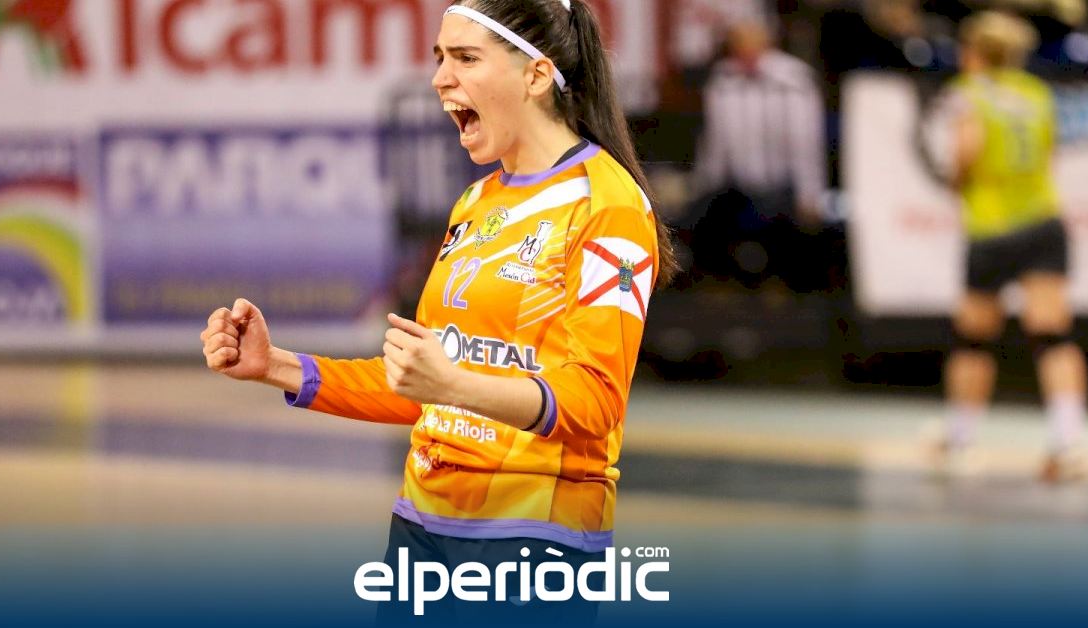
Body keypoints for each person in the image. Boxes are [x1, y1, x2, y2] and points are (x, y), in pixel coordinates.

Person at [199, 0, 677, 622]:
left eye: (465, 58)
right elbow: (423, 385)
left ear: (536, 74)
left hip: (534, 540)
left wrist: (454, 386)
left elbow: (595, 402)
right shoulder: (476, 202)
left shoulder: (606, 206)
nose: (439, 79)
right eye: (438, 58)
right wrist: (277, 367)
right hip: (421, 529)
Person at [937, 11, 1088, 483]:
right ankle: (1067, 443)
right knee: (1053, 335)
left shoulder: (970, 93)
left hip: (992, 227)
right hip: (1042, 221)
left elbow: (966, 151)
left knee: (974, 339)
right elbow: (1049, 152)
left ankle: (960, 440)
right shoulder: (1036, 93)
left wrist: (957, 181)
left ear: (975, 51)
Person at [685, 18, 830, 293]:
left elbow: (806, 142)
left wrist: (810, 194)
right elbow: (716, 141)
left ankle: (785, 291)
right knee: (705, 221)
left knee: (798, 238)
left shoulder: (794, 79)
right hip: (738, 184)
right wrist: (704, 189)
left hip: (783, 184)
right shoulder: (722, 79)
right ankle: (722, 288)